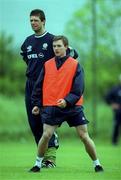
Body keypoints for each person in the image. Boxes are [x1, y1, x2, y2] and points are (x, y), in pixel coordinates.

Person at [29, 35, 104, 173]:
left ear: (66, 47)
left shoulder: (75, 65)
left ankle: (97, 164)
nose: (56, 49)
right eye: (54, 46)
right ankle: (37, 164)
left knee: (84, 136)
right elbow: (38, 87)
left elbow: (79, 88)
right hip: (52, 106)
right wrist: (36, 104)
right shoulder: (47, 64)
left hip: (73, 107)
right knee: (46, 135)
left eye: (59, 46)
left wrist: (67, 101)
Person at [20, 9, 78, 168]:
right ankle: (43, 157)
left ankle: (50, 159)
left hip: (48, 86)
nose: (33, 23)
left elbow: (72, 55)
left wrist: (58, 76)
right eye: (31, 20)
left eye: (36, 20)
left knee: (46, 121)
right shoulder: (28, 41)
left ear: (43, 21)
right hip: (31, 85)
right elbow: (26, 58)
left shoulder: (52, 40)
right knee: (34, 123)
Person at [105, 75, 121, 145]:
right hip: (118, 112)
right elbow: (107, 97)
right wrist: (112, 104)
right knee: (116, 125)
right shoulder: (116, 89)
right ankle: (114, 142)